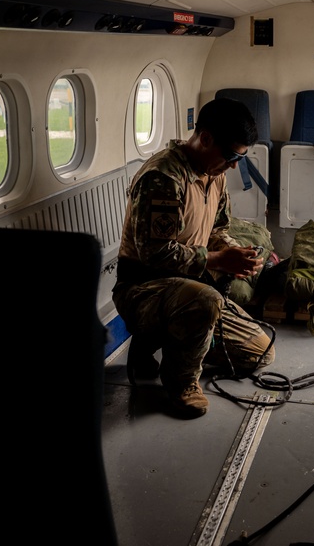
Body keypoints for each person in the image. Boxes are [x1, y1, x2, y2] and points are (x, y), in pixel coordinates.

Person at [113, 98, 276, 418]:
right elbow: (155, 254)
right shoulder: (163, 178)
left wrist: (237, 254)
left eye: (239, 159)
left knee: (260, 354)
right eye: (231, 156)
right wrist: (217, 260)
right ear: (206, 139)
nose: (233, 166)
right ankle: (180, 382)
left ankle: (174, 341)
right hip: (143, 290)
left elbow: (219, 230)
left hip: (191, 287)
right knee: (204, 301)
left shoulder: (215, 175)